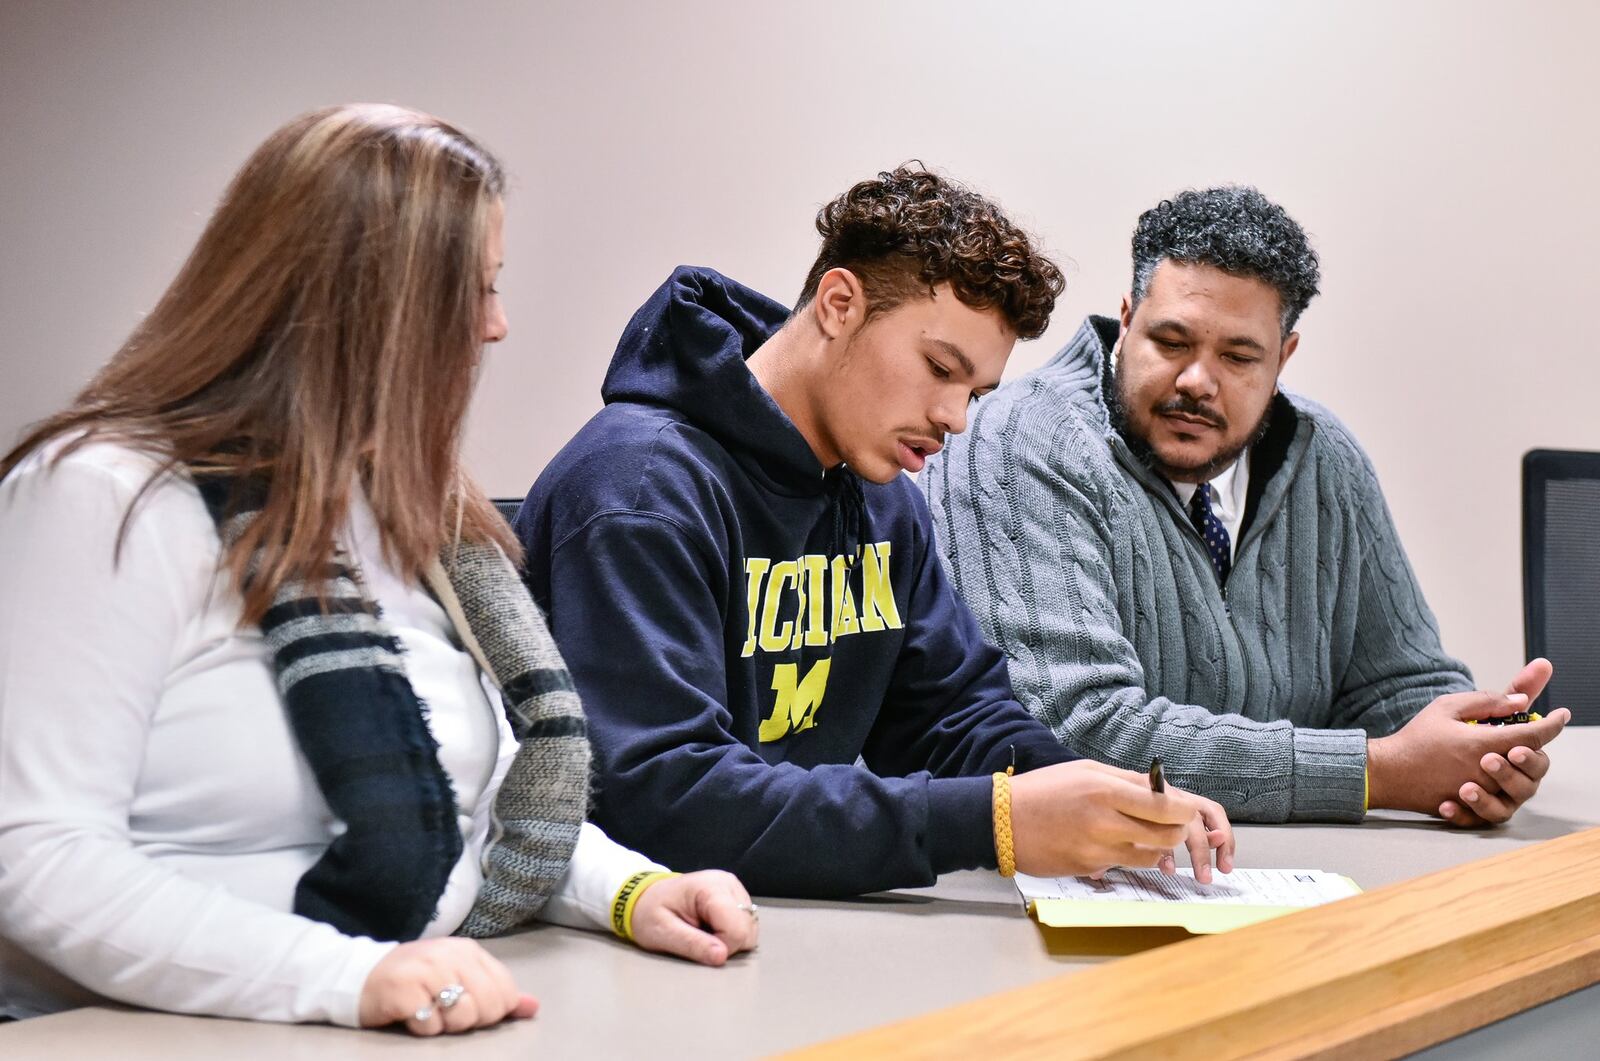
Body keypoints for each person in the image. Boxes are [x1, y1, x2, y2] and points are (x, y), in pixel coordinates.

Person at [0, 104, 757, 1034]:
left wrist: (630, 888)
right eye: (475, 291)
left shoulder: (414, 509)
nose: (498, 326)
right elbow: (37, 859)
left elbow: (474, 808)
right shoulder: (105, 492)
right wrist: (347, 977)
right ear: (373, 306)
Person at [515, 166, 1234, 898]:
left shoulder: (882, 499)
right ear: (839, 304)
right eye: (939, 368)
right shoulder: (637, 490)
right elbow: (662, 799)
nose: (956, 417)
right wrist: (995, 822)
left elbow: (951, 714)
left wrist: (1095, 800)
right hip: (635, 940)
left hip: (778, 918)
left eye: (975, 391)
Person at [924, 185, 1568, 826]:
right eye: (1171, 342)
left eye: (1238, 356)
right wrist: (1378, 772)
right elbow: (1069, 730)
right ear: (1126, 321)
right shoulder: (1019, 442)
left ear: (1283, 356)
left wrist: (1479, 753)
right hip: (1079, 884)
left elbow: (1396, 685)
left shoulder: (1324, 456)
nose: (1197, 381)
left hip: (1301, 876)